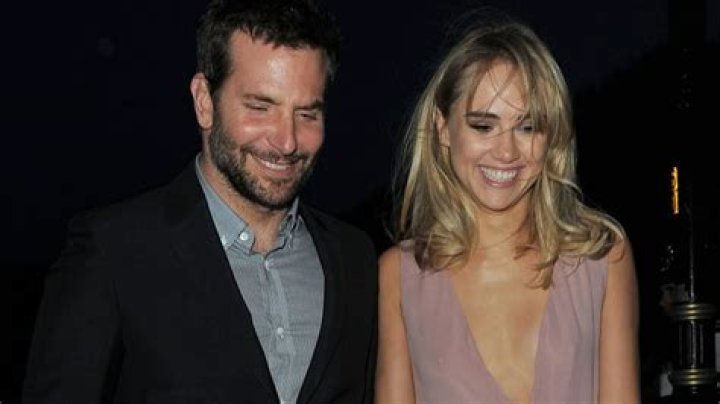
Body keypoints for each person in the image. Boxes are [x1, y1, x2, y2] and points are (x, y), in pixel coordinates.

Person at [22, 0, 378, 403]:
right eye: (260, 107)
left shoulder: (355, 259)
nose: (287, 141)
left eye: (307, 115)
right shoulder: (113, 251)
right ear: (204, 101)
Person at [375, 12, 640, 404]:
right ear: (443, 128)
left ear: (552, 136)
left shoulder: (602, 258)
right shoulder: (400, 276)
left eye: (527, 127)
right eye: (483, 126)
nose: (506, 151)